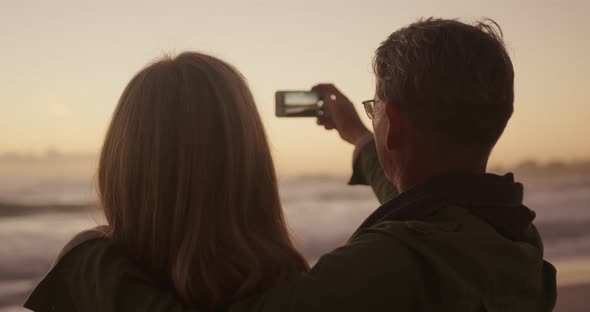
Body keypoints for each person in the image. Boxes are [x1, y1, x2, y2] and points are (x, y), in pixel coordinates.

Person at [26, 18, 557, 311]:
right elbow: (425, 208)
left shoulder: (386, 267)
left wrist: (90, 259)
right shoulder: (507, 241)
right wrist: (356, 133)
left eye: (375, 113)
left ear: (392, 122)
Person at [24, 52, 310, 311]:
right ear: (252, 165)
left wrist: (86, 256)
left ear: (122, 165)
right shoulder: (297, 289)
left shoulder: (90, 275)